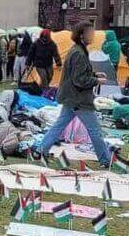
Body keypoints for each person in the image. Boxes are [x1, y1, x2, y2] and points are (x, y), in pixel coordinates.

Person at [31, 21, 111, 167]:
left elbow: (79, 74)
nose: (93, 35)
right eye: (90, 33)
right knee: (95, 130)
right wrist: (96, 80)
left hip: (71, 97)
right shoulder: (78, 53)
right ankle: (106, 160)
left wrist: (94, 74)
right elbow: (79, 79)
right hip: (78, 99)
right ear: (82, 35)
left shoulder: (78, 50)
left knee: (59, 125)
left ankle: (40, 150)